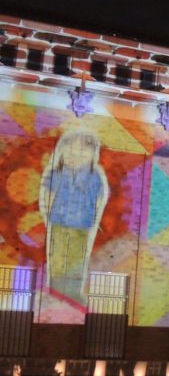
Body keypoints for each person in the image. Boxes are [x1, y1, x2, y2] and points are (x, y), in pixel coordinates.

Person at [39, 130, 109, 304]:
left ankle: (72, 292)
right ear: (62, 151)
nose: (75, 154)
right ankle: (55, 291)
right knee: (57, 257)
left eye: (83, 151)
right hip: (59, 222)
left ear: (93, 155)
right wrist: (49, 214)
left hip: (82, 225)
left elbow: (99, 199)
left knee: (77, 258)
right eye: (70, 150)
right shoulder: (57, 173)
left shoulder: (94, 177)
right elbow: (48, 195)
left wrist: (93, 218)